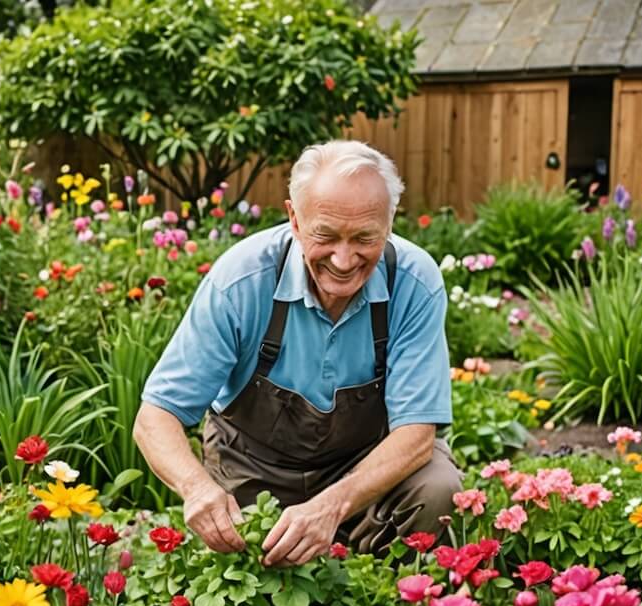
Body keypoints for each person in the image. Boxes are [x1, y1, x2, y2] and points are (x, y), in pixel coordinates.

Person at [133, 140, 460, 566]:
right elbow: (155, 416)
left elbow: (417, 436)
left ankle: (393, 604)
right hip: (254, 473)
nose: (344, 260)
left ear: (389, 222)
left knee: (437, 487)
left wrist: (332, 504)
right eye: (326, 235)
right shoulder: (242, 280)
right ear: (294, 218)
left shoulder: (412, 281)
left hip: (364, 470)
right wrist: (198, 490)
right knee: (240, 572)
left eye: (365, 238)